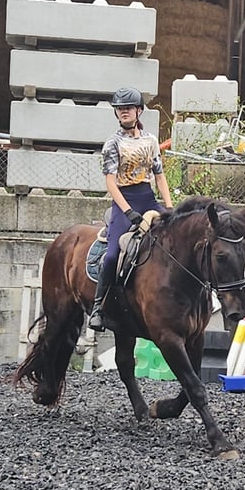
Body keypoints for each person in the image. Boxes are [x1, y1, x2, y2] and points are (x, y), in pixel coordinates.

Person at [88, 87, 174, 332]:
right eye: (120, 108)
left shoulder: (150, 140)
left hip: (147, 197)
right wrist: (127, 212)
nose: (124, 112)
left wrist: (168, 207)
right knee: (113, 255)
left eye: (129, 108)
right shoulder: (112, 144)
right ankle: (98, 308)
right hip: (124, 200)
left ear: (138, 110)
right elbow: (110, 182)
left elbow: (159, 176)